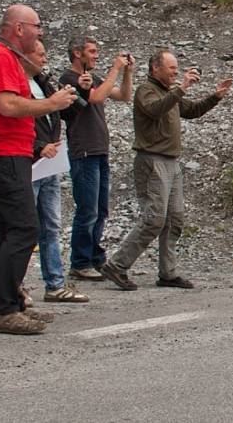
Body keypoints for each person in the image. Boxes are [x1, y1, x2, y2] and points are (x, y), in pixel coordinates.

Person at [0, 4, 77, 334]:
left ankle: (9, 304)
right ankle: (4, 308)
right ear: (19, 29)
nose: (41, 32)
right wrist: (52, 103)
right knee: (24, 228)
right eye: (37, 26)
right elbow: (8, 105)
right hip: (2, 154)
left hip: (5, 154)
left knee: (7, 231)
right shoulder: (0, 57)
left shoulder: (8, 59)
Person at [100, 49, 232, 290]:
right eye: (171, 68)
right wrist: (182, 87)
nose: (176, 72)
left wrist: (215, 97)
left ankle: (167, 273)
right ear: (155, 69)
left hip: (171, 162)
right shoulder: (145, 91)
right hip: (152, 161)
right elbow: (155, 110)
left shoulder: (169, 93)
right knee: (154, 219)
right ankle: (117, 265)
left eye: (176, 68)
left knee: (174, 219)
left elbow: (191, 110)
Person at [58, 36, 134, 281]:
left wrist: (127, 73)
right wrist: (115, 68)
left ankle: (94, 256)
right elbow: (96, 98)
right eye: (92, 51)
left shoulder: (95, 79)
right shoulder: (69, 79)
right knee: (87, 209)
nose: (96, 55)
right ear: (77, 53)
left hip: (100, 150)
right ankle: (80, 261)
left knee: (100, 210)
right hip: (84, 151)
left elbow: (122, 95)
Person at [20, 40, 89, 304]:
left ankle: (55, 283)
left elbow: (61, 113)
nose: (44, 59)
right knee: (24, 227)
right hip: (30, 162)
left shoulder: (43, 82)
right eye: (39, 54)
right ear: (24, 55)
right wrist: (39, 146)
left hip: (50, 163)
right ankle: (17, 284)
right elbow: (16, 121)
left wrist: (77, 95)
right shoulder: (18, 85)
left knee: (51, 225)